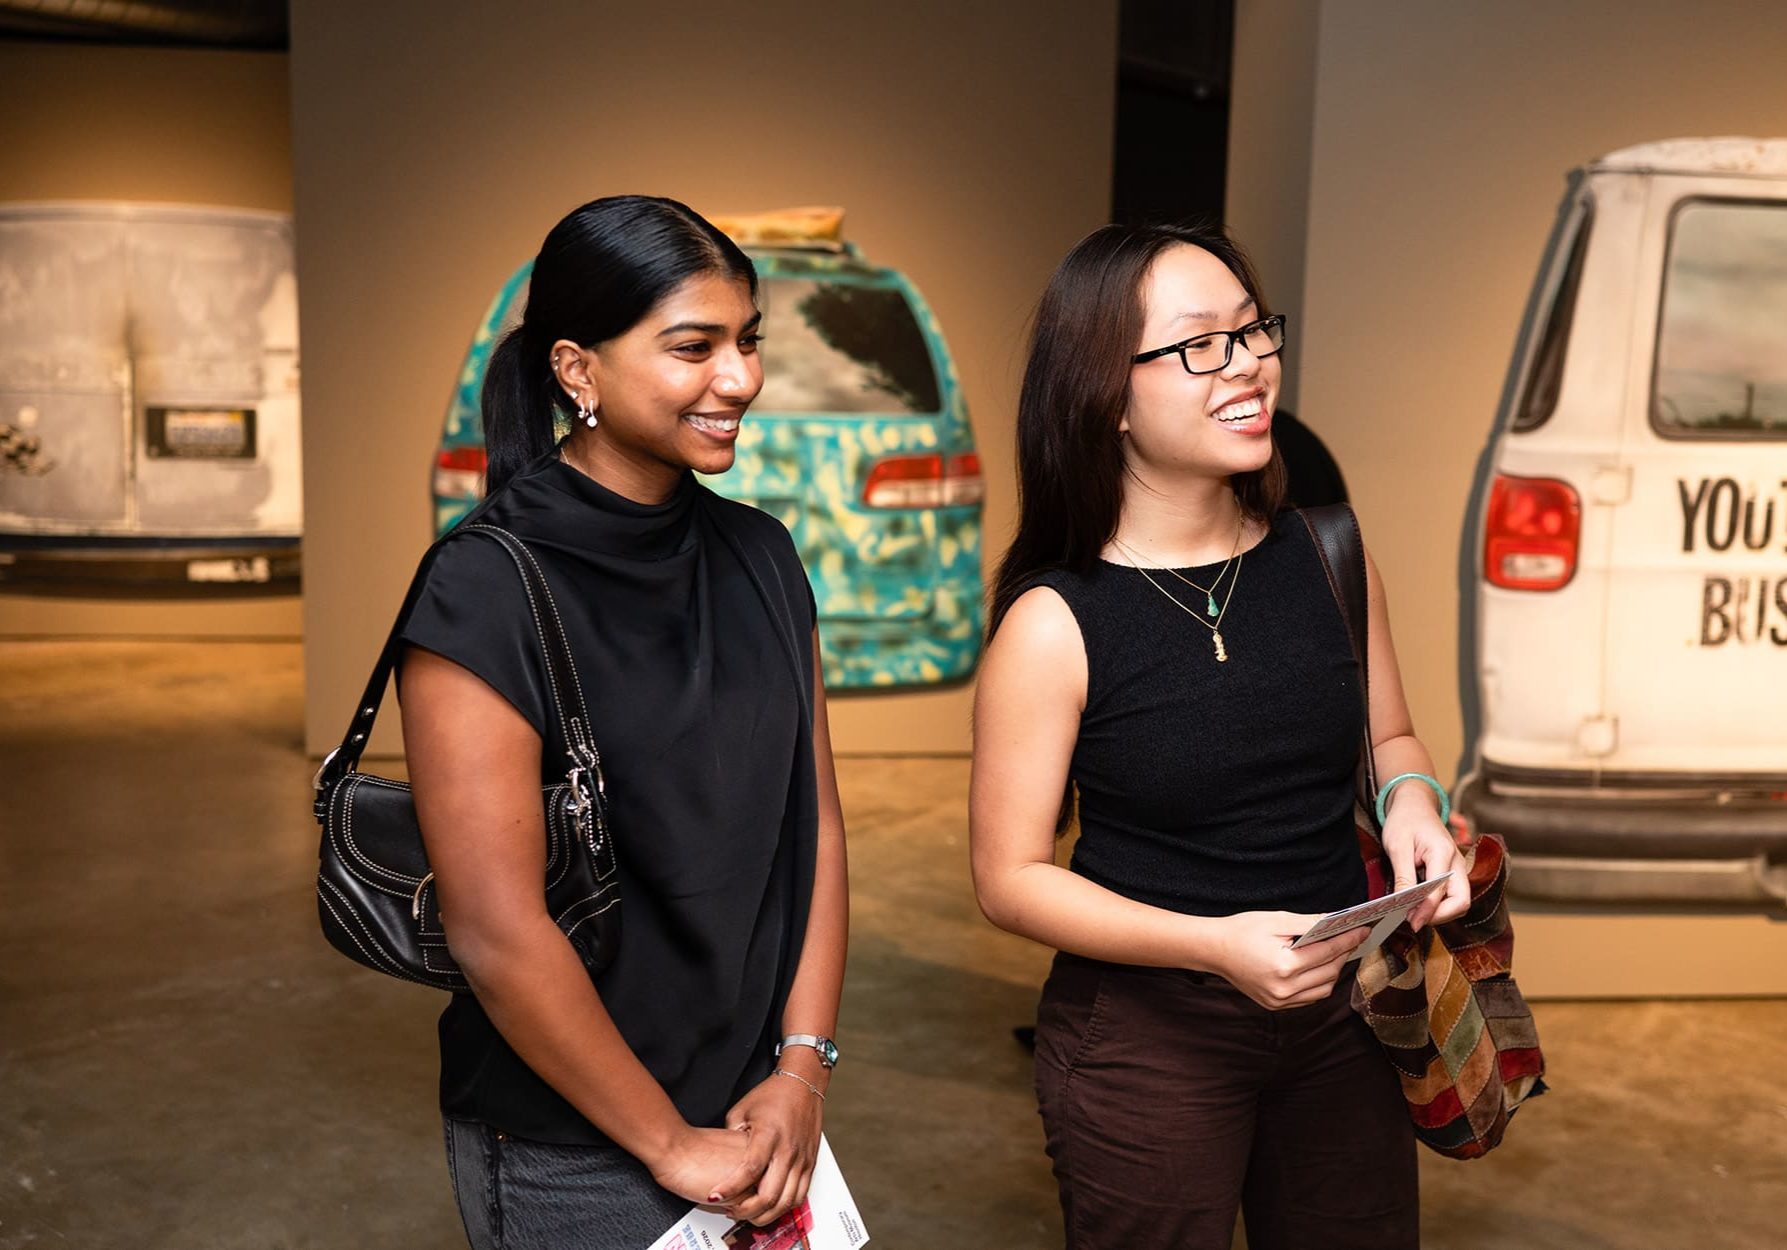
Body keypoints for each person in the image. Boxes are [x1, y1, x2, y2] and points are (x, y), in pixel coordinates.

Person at [969, 222, 1469, 1250]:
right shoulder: (1054, 621)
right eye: (1200, 344)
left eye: (1252, 331)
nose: (1246, 365)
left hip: (1345, 1020)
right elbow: (1009, 877)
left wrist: (1412, 804)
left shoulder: (1329, 551)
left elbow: (1393, 736)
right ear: (1106, 393)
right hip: (1145, 1042)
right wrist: (1211, 945)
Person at [396, 196, 849, 1249]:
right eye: (692, 347)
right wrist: (667, 1142)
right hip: (578, 1146)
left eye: (747, 342)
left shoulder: (763, 556)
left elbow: (814, 827)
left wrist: (800, 1068)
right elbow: (495, 927)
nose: (738, 379)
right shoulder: (483, 587)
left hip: (758, 1111)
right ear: (576, 369)